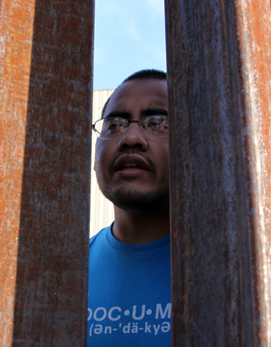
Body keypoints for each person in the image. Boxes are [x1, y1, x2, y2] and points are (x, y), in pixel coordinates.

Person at [88, 69, 171, 346]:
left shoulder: (240, 269)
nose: (131, 138)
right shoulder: (62, 273)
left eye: (158, 122)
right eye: (114, 125)